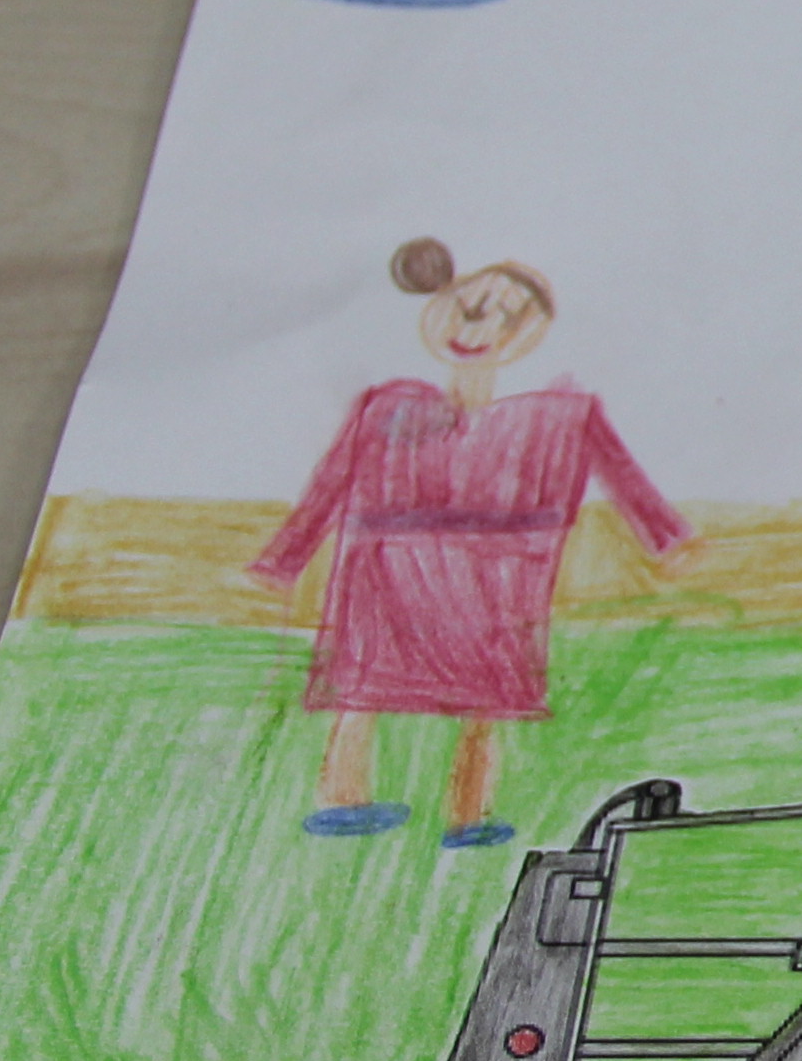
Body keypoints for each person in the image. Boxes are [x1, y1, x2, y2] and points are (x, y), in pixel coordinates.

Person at [249, 237, 691, 846]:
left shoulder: (560, 415)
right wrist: (284, 558)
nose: (479, 331)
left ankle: (468, 813)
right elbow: (331, 483)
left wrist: (667, 538)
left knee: (482, 703)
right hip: (388, 570)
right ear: (440, 302)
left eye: (507, 320)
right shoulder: (386, 406)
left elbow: (620, 471)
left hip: (495, 577)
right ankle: (346, 799)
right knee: (363, 693)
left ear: (527, 336)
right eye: (472, 309)